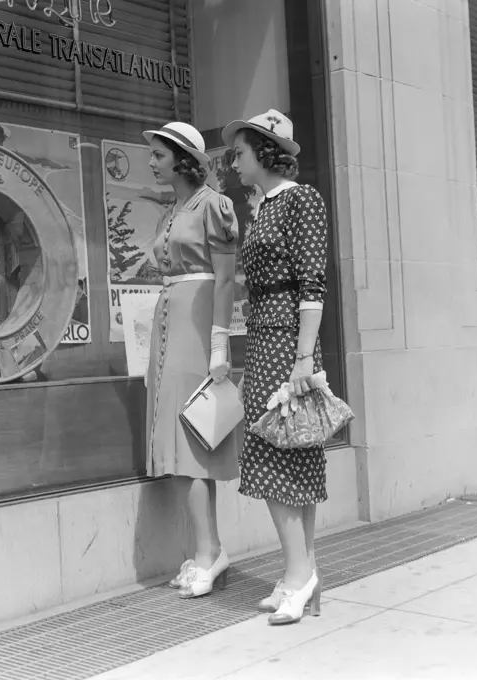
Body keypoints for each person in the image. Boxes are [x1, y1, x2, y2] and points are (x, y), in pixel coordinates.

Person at [221, 110, 328, 625]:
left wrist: (303, 358)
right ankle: (298, 575)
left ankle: (299, 575)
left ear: (265, 152)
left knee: (274, 458)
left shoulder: (300, 200)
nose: (233, 162)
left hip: (287, 342)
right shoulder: (265, 206)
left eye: (238, 153)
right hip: (268, 337)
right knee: (288, 456)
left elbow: (312, 284)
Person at [143, 121, 239, 599]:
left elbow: (225, 279)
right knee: (182, 449)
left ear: (182, 158)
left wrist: (220, 342)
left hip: (197, 328)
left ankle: (208, 554)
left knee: (193, 445)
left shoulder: (214, 206)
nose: (152, 161)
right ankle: (207, 549)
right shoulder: (174, 208)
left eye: (159, 154)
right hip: (169, 326)